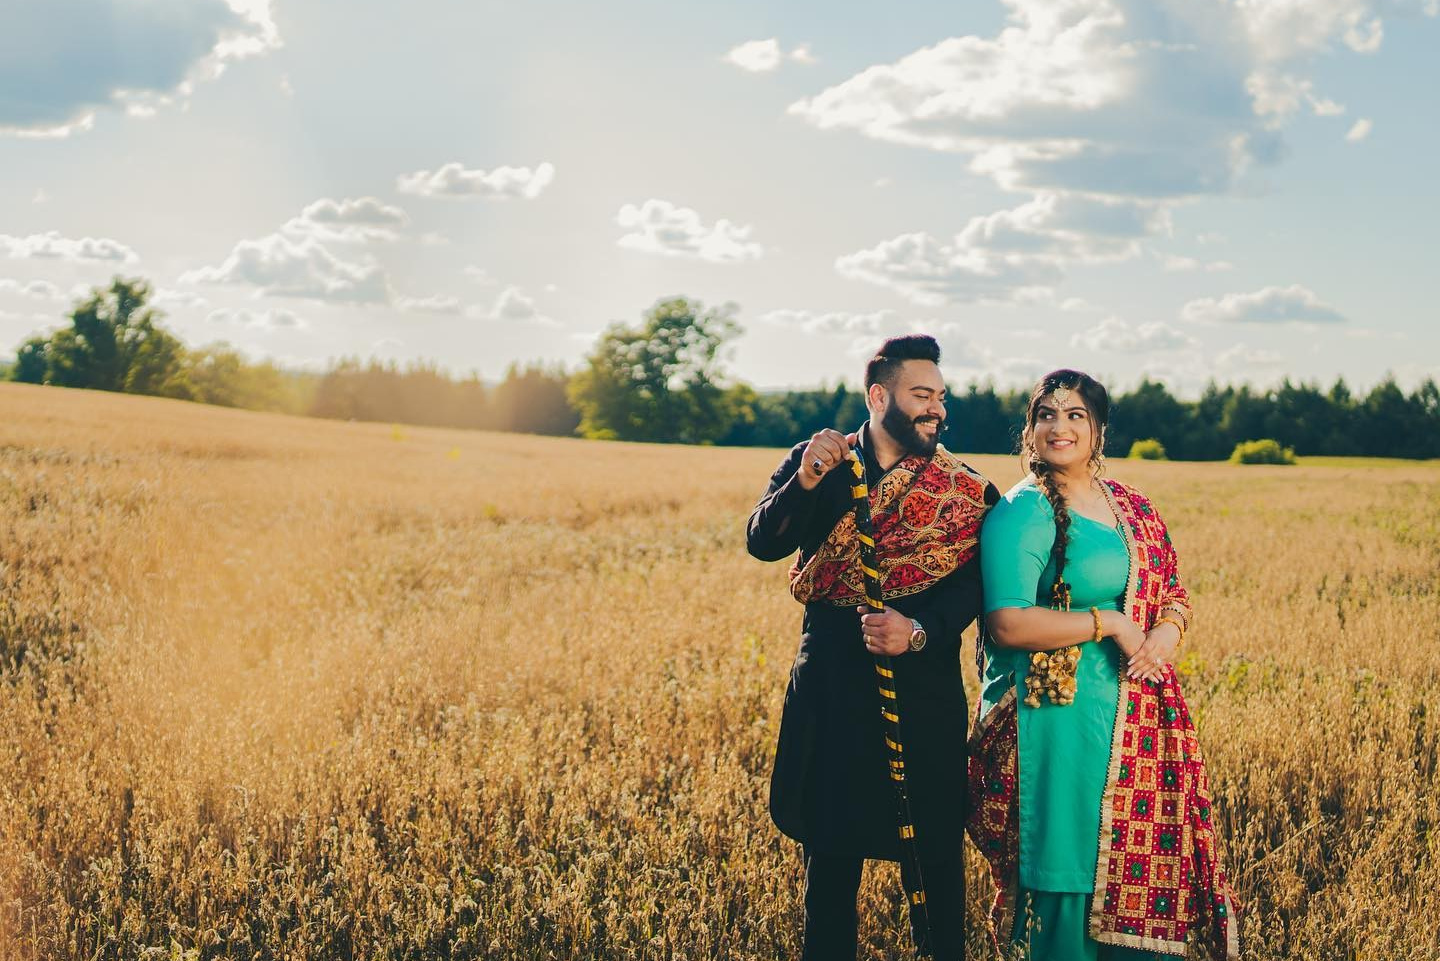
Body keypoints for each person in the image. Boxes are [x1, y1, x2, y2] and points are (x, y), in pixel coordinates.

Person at [967, 370, 1240, 961]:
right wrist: (1109, 623)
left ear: (1099, 428)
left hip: (1135, 718)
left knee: (1140, 868)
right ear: (1030, 427)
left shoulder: (1132, 506)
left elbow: (1172, 592)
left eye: (1075, 415)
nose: (1058, 427)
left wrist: (1166, 632)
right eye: (1046, 414)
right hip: (1054, 723)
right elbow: (1008, 623)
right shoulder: (1023, 512)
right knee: (1070, 868)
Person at [747, 335, 998, 961]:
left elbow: (975, 587)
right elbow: (763, 542)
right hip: (831, 682)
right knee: (829, 865)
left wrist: (917, 631)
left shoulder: (964, 492)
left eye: (940, 397)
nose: (936, 409)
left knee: (934, 862)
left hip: (923, 689)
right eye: (921, 395)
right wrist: (805, 479)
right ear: (879, 396)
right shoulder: (820, 464)